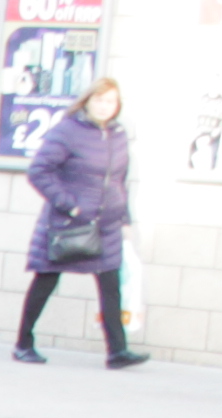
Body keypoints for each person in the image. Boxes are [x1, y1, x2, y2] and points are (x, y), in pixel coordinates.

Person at [17, 78, 149, 370]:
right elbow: (39, 171)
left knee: (110, 284)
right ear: (88, 101)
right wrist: (69, 204)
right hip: (69, 222)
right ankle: (23, 343)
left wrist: (125, 218)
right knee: (46, 279)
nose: (104, 107)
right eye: (99, 100)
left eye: (110, 102)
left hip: (107, 224)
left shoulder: (117, 134)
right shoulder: (68, 131)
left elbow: (118, 181)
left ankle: (117, 352)